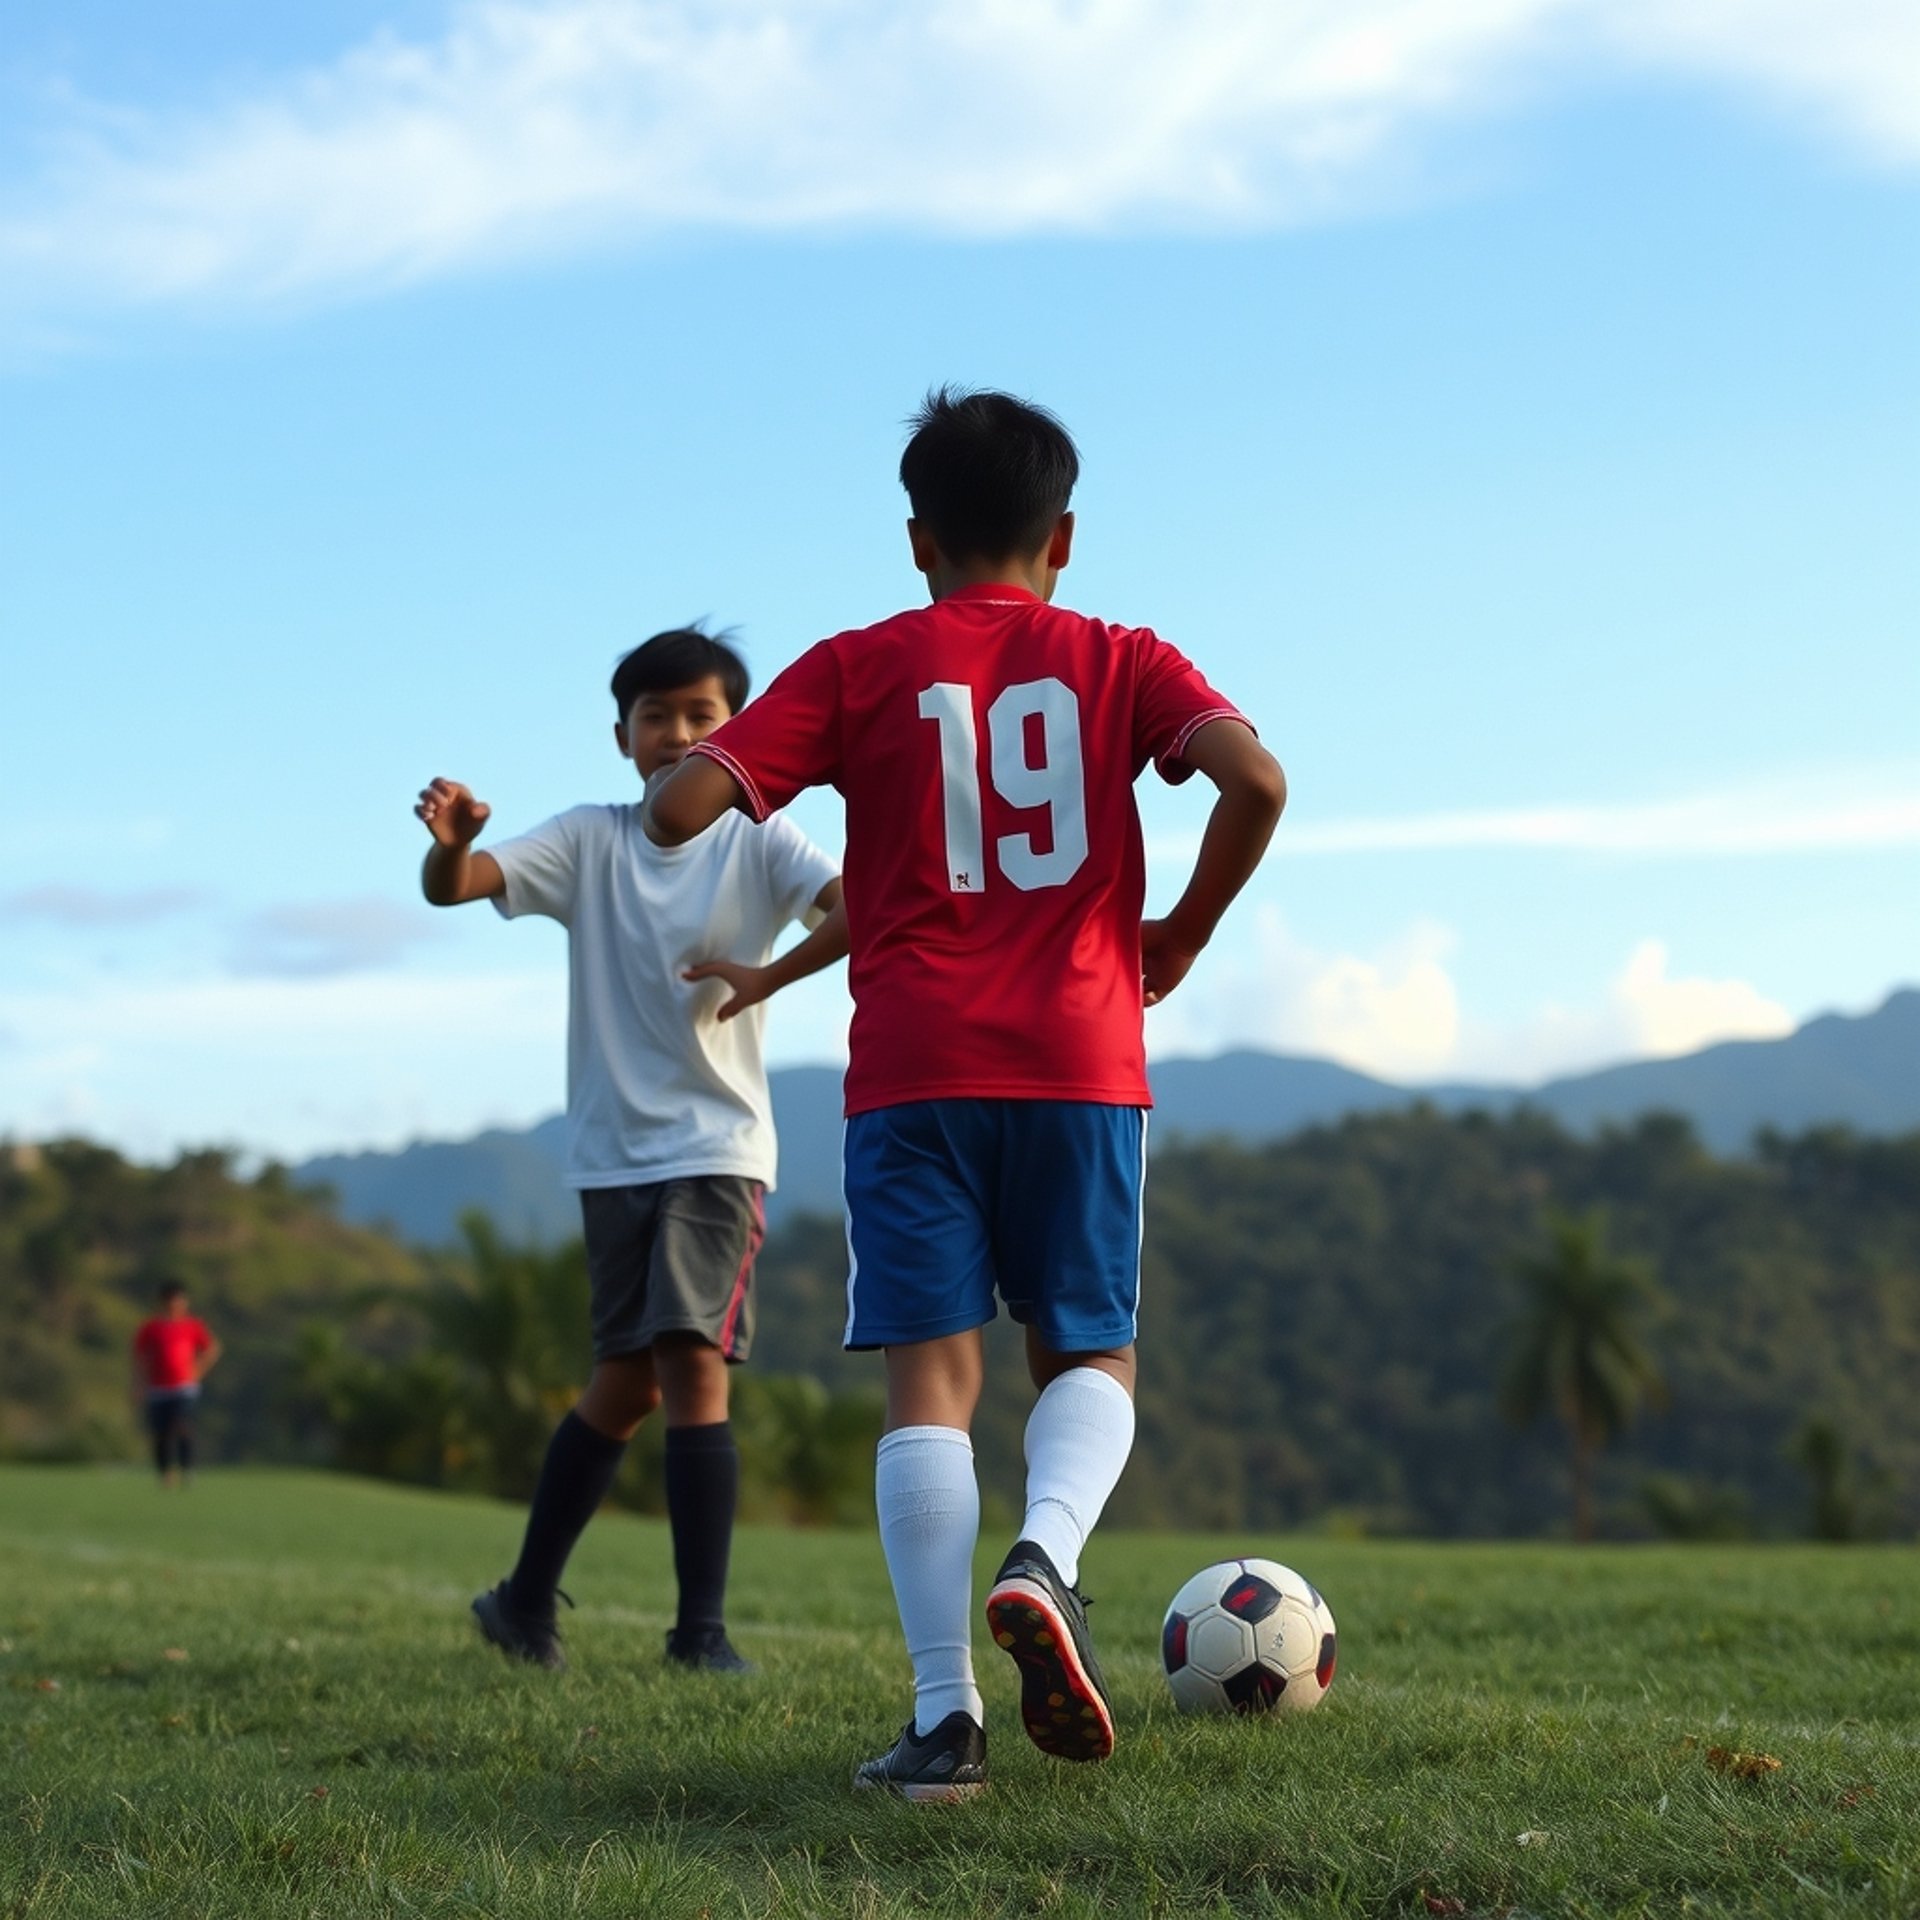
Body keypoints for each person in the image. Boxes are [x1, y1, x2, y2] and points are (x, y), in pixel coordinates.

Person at [647, 390, 1286, 1795]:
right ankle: (1046, 1557)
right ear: (1061, 538)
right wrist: (1177, 932)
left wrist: (722, 766)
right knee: (1090, 1352)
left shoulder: (861, 663)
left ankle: (947, 1723)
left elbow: (681, 810)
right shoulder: (1118, 656)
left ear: (917, 539)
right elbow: (1256, 778)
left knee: (930, 1388)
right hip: (1080, 1059)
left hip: (913, 1072)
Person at [415, 625, 847, 1673]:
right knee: (623, 1384)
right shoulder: (588, 840)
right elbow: (453, 888)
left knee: (693, 1369)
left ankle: (699, 1634)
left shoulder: (763, 838)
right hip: (612, 1158)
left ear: (737, 732)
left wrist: (770, 974)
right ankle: (523, 1604)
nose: (678, 733)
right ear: (622, 736)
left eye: (703, 716)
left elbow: (857, 907)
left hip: (716, 1148)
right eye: (656, 716)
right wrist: (455, 841)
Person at [131, 1281, 221, 1488]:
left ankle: (187, 1469)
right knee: (161, 1433)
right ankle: (165, 1472)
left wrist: (198, 1371)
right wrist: (138, 1384)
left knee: (183, 1427)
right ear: (163, 1302)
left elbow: (212, 1349)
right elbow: (139, 1358)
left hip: (184, 1387)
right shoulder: (151, 1328)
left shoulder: (193, 1326)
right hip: (158, 1388)